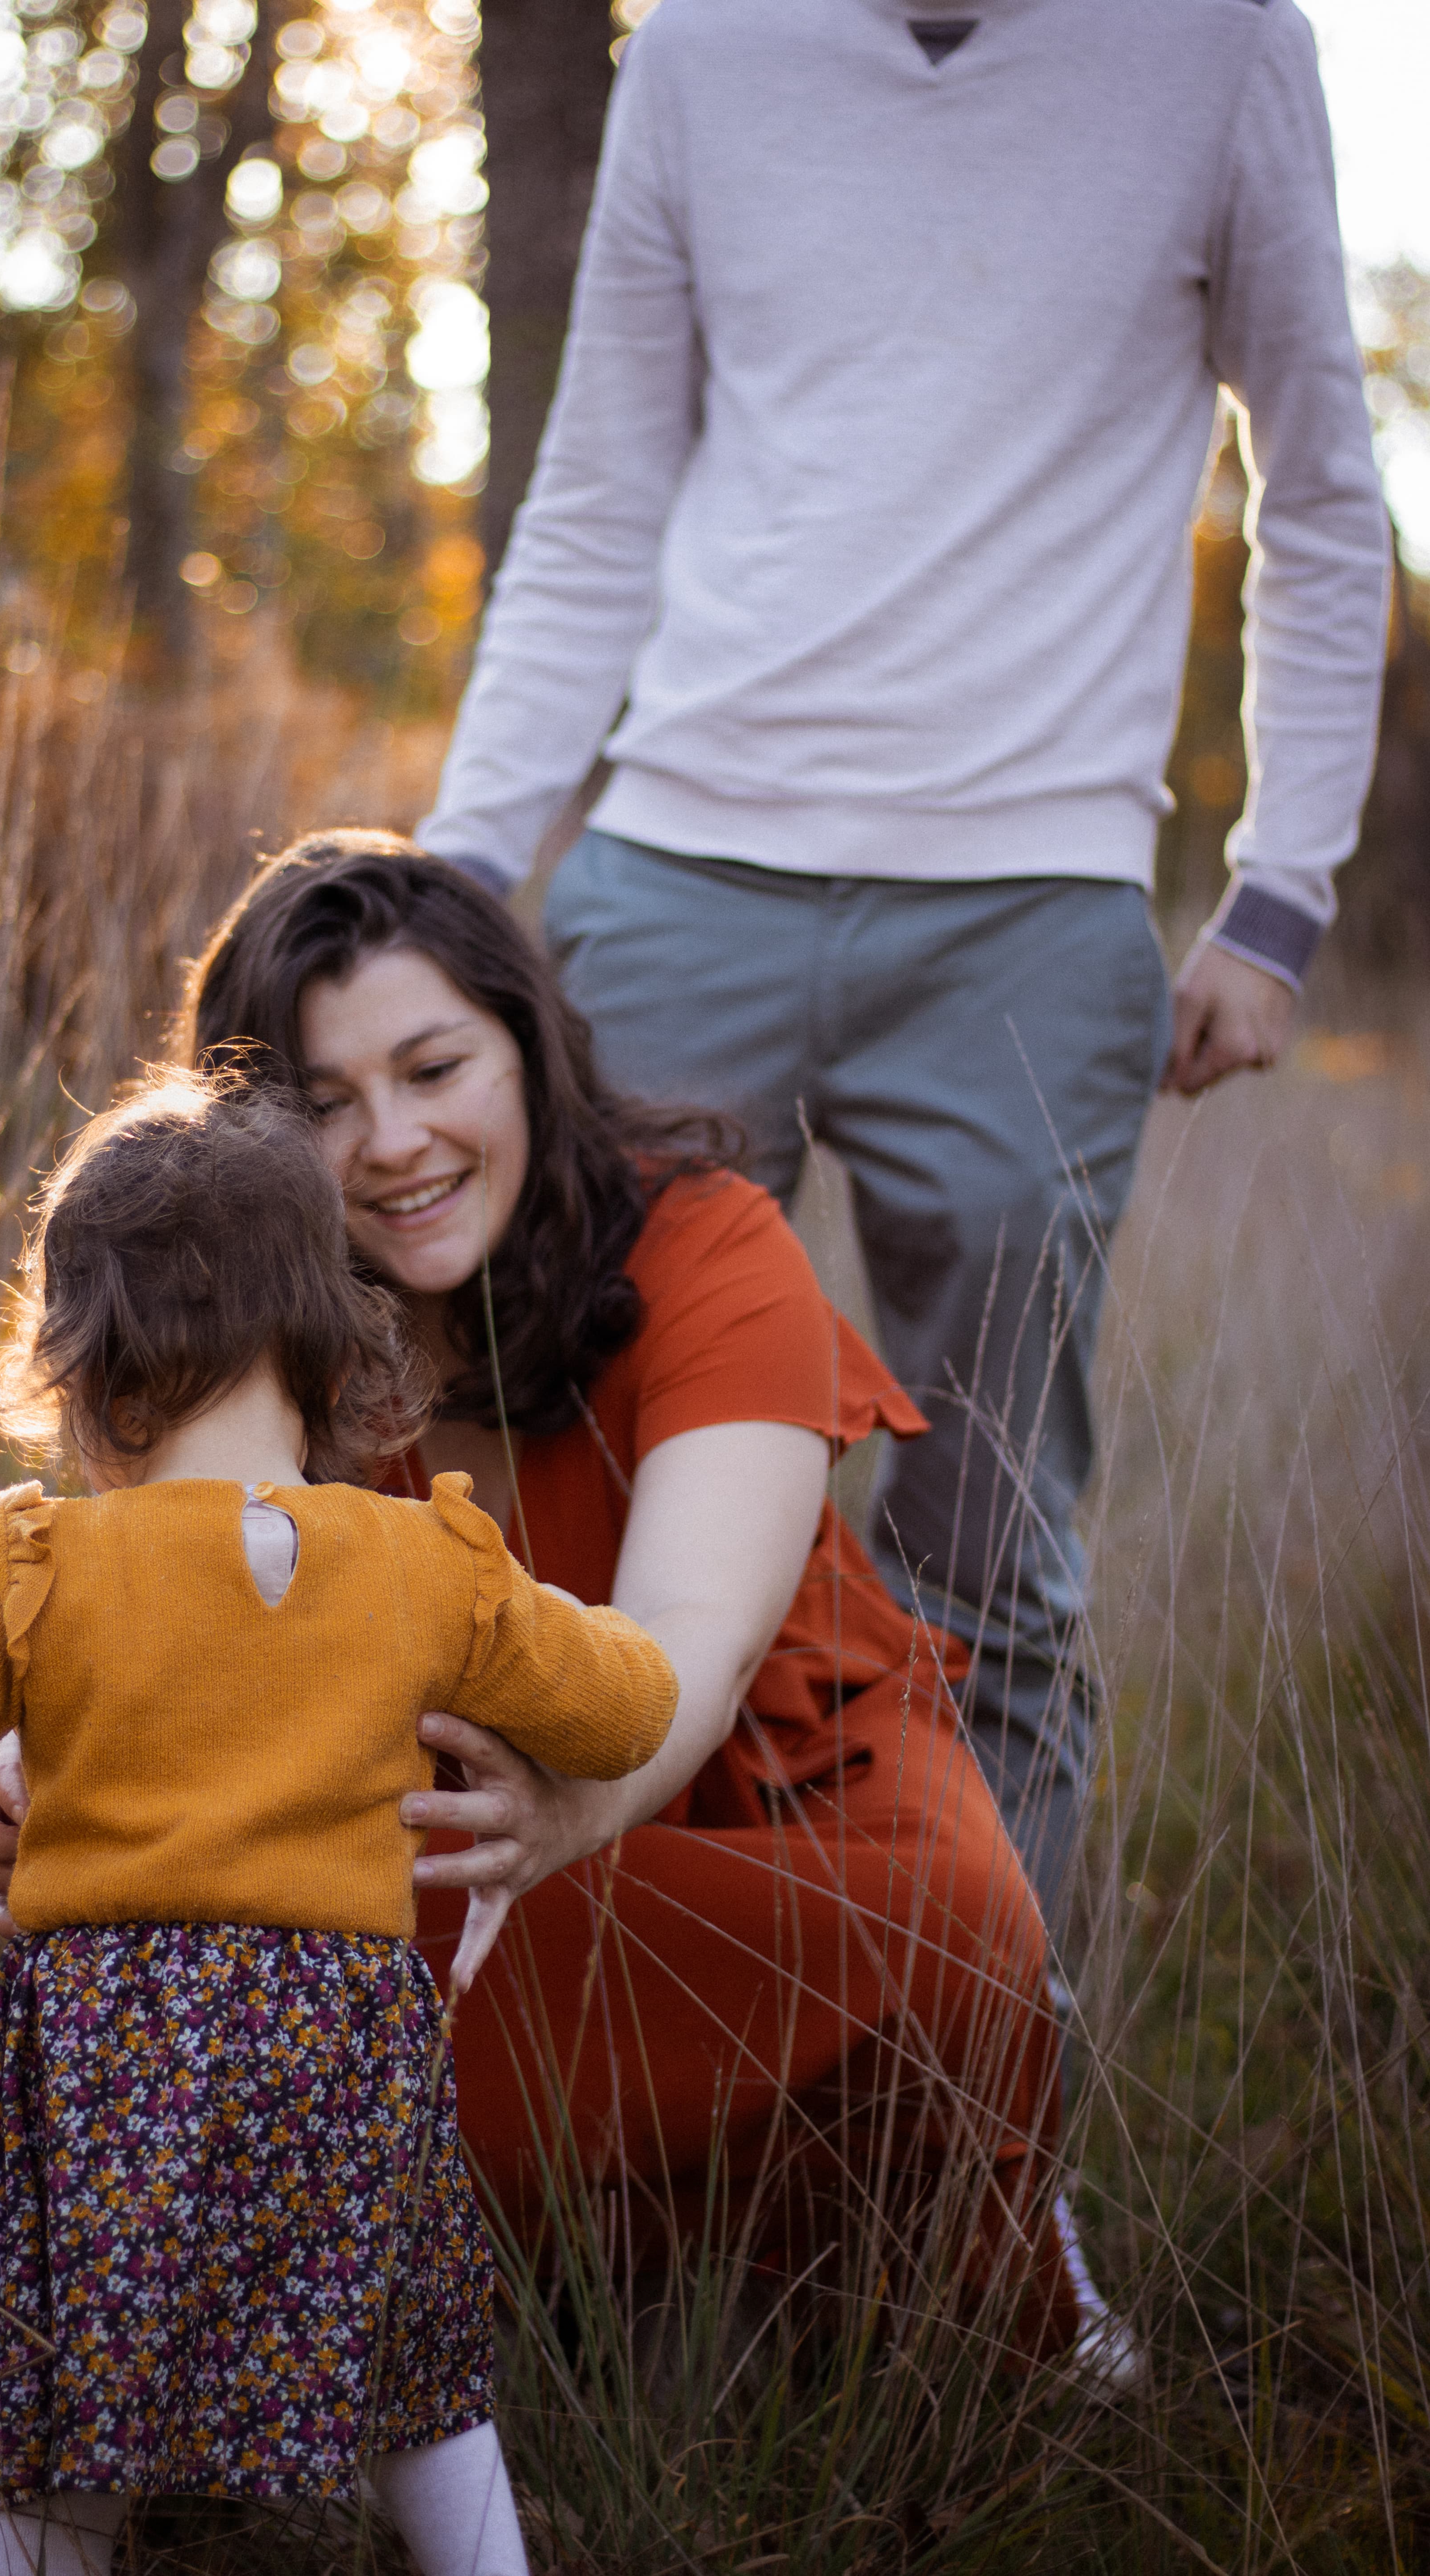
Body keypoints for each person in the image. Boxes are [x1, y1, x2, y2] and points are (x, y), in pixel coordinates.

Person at [413, 0, 1394, 1922]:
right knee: (571, 1516)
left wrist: (1280, 895)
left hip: (1030, 913)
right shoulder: (706, 46)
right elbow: (601, 487)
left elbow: (1327, 491)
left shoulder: (1221, 49)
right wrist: (459, 870)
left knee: (994, 1561)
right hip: (679, 872)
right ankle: (595, 2095)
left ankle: (984, 2156)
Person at [0, 837, 1086, 2359]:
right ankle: (421, 2318)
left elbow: (697, 1632)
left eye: (433, 1068)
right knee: (246, 1930)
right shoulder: (240, 1326)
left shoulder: (708, 1241)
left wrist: (578, 1817)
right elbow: (153, 1622)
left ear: (529, 1052)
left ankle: (909, 2286)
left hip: (770, 1774)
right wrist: (58, 1775)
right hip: (463, 1817)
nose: (397, 1141)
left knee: (956, 1925)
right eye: (326, 1105)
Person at [0, 1070, 679, 2576]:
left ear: (89, 1363)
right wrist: (550, 1640)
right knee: (416, 2380)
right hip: (342, 2054)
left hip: (119, 2068)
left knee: (74, 2418)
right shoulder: (427, 1565)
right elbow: (626, 1710)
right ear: (324, 1336)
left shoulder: (27, 1565)